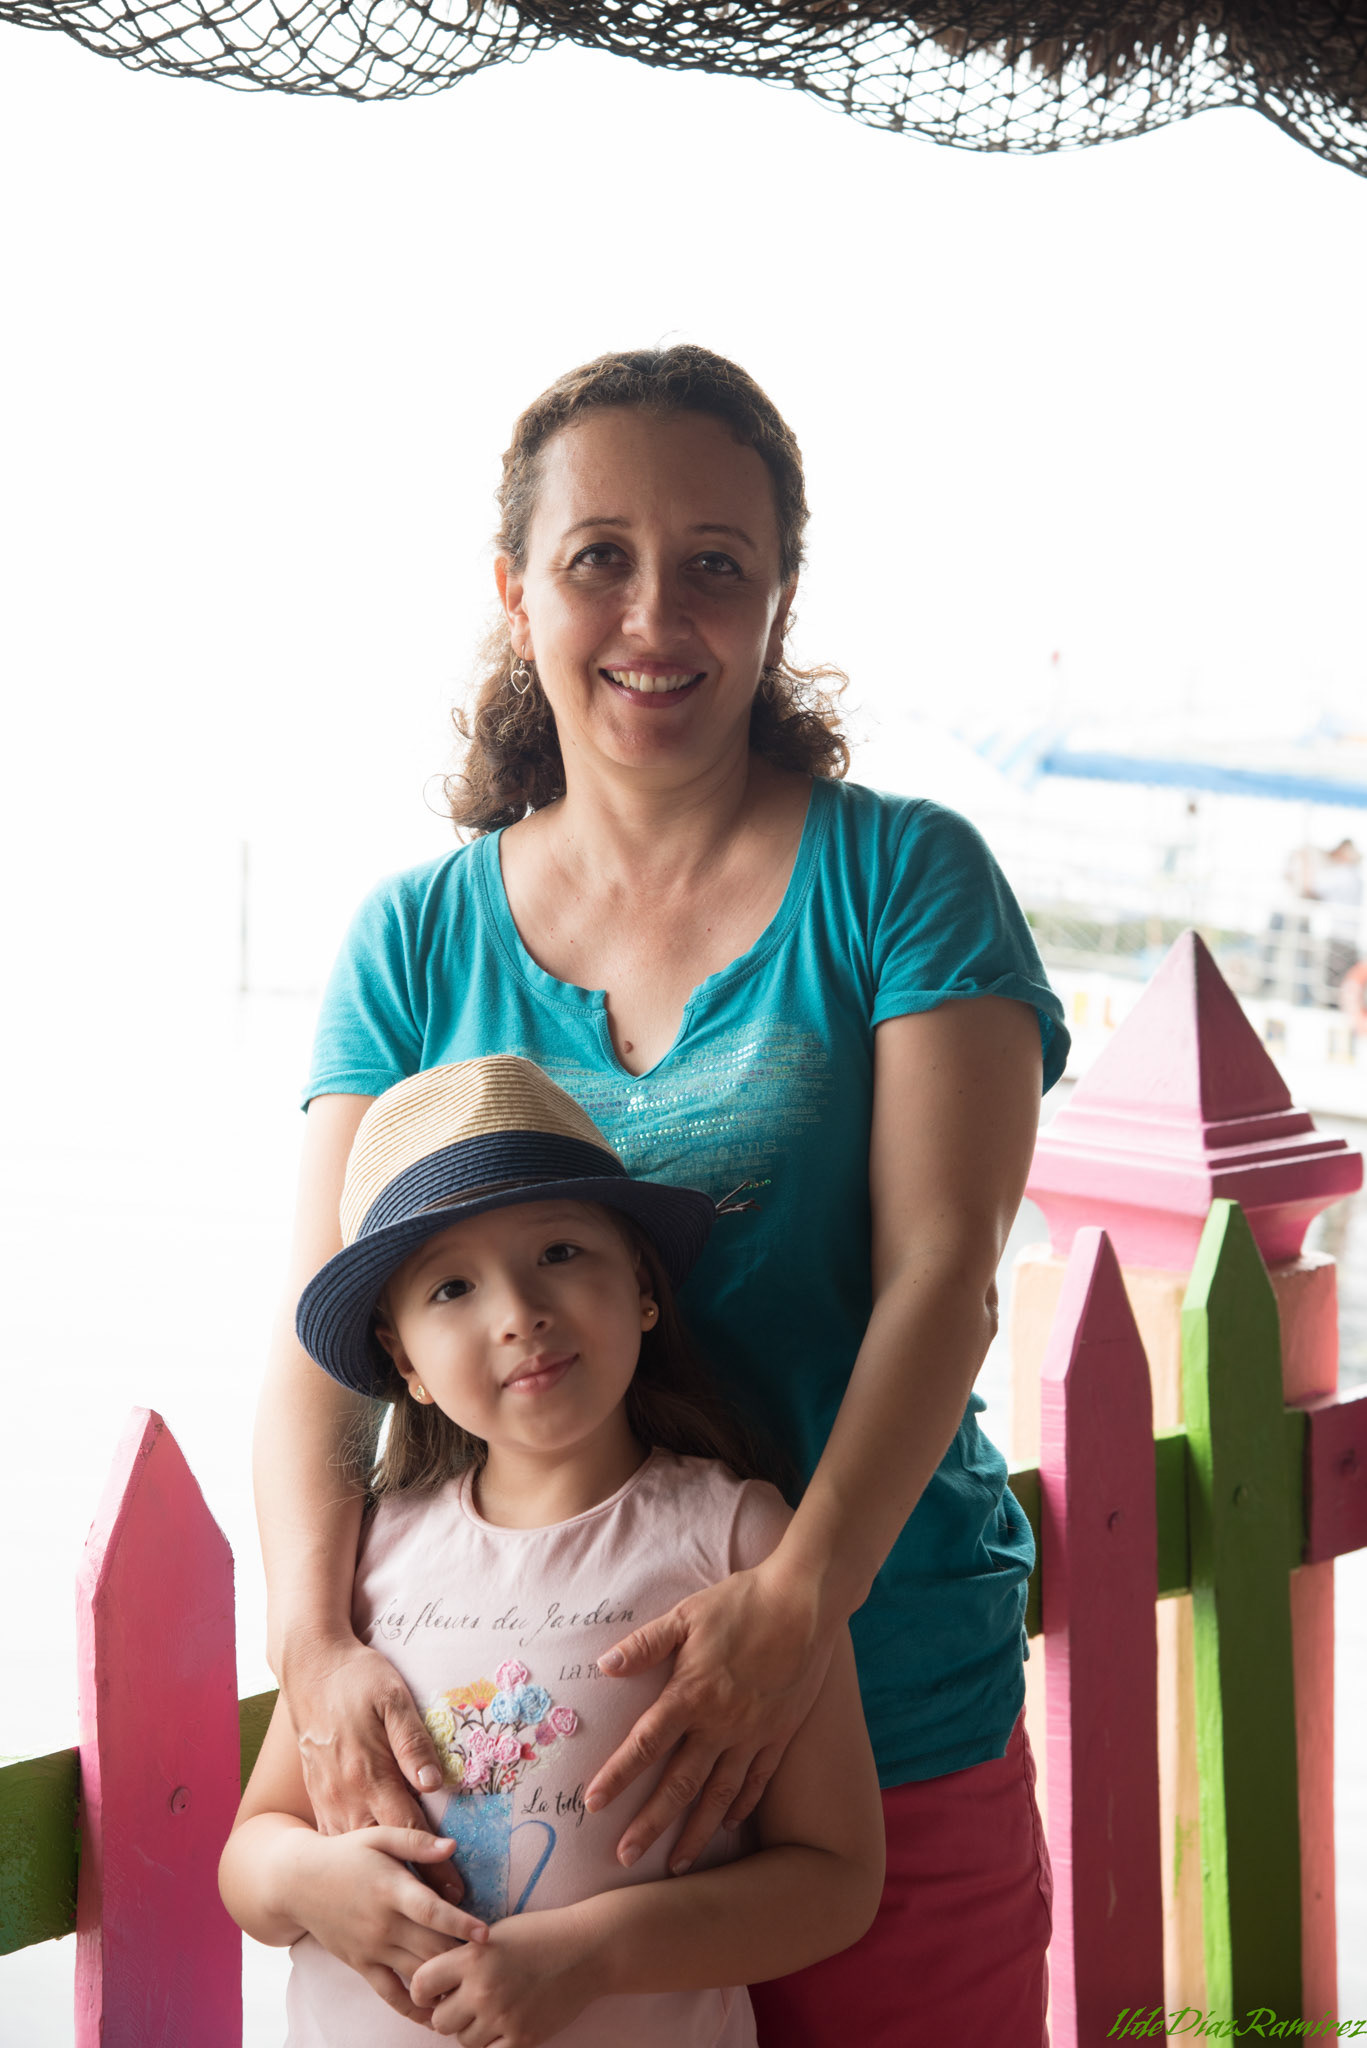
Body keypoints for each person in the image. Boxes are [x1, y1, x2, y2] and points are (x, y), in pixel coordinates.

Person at [255, 344, 1068, 2044]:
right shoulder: (412, 938)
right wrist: (314, 1643)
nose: (653, 613)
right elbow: (322, 1340)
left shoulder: (902, 877)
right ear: (515, 591)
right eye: (597, 556)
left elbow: (943, 1274)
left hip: (885, 1715)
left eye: (713, 561)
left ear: (776, 597)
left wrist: (797, 1600)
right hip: (535, 1766)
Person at [222, 1056, 885, 2044]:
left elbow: (835, 1880)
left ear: (641, 1284)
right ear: (403, 1360)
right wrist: (309, 1880)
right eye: (452, 1286)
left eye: (560, 1251)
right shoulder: (369, 1555)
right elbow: (251, 1852)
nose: (517, 1312)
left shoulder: (739, 1541)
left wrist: (597, 1951)